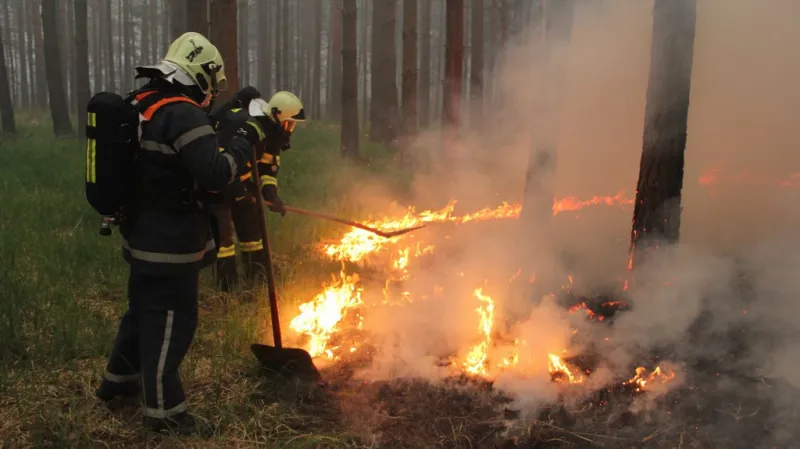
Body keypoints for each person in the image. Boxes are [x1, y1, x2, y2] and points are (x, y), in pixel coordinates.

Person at [93, 32, 253, 436]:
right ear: (199, 72)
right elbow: (216, 173)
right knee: (171, 323)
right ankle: (165, 415)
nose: (214, 90)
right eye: (212, 79)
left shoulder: (144, 101)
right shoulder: (182, 113)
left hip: (141, 235)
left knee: (140, 312)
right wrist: (244, 143)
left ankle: (118, 384)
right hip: (170, 243)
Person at [210, 89, 306, 292]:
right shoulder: (247, 127)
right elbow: (219, 161)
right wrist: (235, 189)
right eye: (289, 123)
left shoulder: (272, 135)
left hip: (241, 184)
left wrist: (271, 195)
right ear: (276, 116)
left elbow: (267, 169)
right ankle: (227, 289)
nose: (290, 129)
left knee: (253, 231)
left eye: (293, 125)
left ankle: (258, 277)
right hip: (217, 186)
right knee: (224, 237)